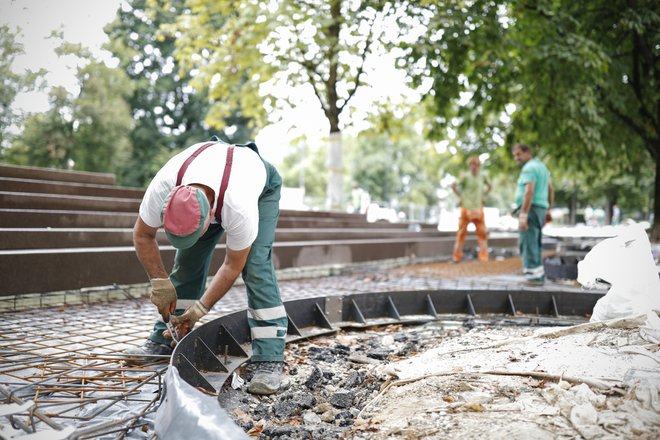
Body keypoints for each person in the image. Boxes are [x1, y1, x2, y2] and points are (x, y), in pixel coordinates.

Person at [127, 138, 287, 395]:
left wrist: (201, 309)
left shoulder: (239, 206)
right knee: (188, 260)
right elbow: (142, 234)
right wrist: (159, 281)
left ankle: (269, 358)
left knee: (256, 266)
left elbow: (232, 265)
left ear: (209, 218)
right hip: (214, 179)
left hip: (258, 186)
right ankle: (164, 338)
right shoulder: (163, 185)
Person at [511, 143, 554, 285]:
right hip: (540, 209)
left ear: (527, 152)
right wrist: (548, 209)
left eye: (518, 154)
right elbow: (551, 189)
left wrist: (523, 214)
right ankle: (538, 275)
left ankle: (533, 278)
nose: (516, 158)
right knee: (535, 242)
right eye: (515, 155)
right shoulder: (542, 167)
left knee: (528, 242)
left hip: (531, 209)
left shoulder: (529, 168)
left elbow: (529, 191)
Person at [451, 155, 492, 262]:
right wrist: (460, 197)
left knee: (482, 233)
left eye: (476, 164)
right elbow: (454, 186)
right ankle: (457, 256)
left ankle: (483, 257)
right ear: (469, 166)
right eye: (471, 164)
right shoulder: (465, 177)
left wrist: (484, 196)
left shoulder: (482, 177)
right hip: (466, 208)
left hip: (478, 208)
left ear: (478, 166)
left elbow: (490, 186)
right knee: (461, 233)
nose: (474, 166)